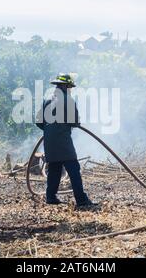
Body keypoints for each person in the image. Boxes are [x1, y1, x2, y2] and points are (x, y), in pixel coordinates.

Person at [36, 73, 95, 207]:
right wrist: (62, 127)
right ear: (65, 86)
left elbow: (39, 122)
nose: (70, 89)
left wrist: (50, 130)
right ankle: (81, 200)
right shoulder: (68, 100)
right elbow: (74, 122)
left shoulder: (46, 99)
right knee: (74, 169)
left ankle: (50, 197)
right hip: (63, 140)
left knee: (55, 169)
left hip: (49, 141)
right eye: (69, 87)